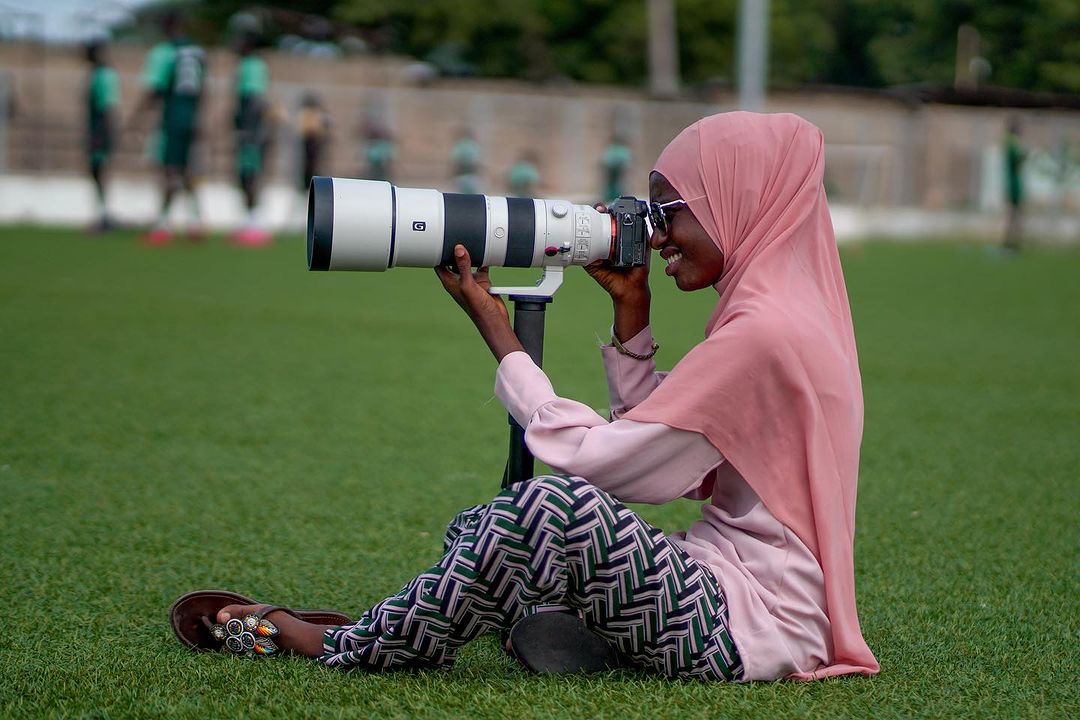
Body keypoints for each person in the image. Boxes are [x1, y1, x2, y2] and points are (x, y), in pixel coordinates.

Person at [171, 112, 879, 682]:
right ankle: (580, 639)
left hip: (752, 624)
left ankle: (346, 645)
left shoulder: (766, 333)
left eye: (669, 210)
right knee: (484, 525)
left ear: (737, 201)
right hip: (719, 581)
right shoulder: (786, 316)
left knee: (548, 510)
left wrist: (500, 336)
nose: (655, 232)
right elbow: (685, 466)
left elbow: (611, 467)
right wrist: (632, 315)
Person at [129, 11, 207, 245]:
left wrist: (135, 119)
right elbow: (204, 90)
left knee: (169, 170)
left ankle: (163, 224)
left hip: (172, 119)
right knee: (186, 171)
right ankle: (195, 221)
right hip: (192, 119)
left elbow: (154, 88)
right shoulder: (197, 52)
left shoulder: (164, 52)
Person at [230, 33, 272, 246]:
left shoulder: (251, 65)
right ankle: (249, 221)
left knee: (250, 174)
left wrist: (248, 130)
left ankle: (254, 224)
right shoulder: (250, 65)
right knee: (245, 175)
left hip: (252, 132)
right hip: (251, 130)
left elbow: (254, 100)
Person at [84, 40, 120, 233]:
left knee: (99, 172)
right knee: (96, 172)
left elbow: (108, 107)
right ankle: (102, 214)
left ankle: (104, 217)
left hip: (100, 132)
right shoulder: (98, 74)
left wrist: (102, 134)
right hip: (97, 131)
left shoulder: (104, 75)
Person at [296, 93, 331, 192]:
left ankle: (312, 186)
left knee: (315, 165)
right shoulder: (306, 113)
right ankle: (306, 186)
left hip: (315, 142)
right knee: (307, 165)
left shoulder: (317, 114)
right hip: (308, 142)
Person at [1002, 116, 1027, 252]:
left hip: (1014, 184)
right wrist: (1024, 156)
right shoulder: (1012, 142)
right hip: (1014, 185)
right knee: (1014, 215)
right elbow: (1016, 162)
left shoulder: (1011, 141)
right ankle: (1011, 244)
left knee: (1013, 215)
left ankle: (1012, 243)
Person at [600, 132, 632, 202]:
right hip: (612, 169)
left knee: (617, 184)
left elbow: (607, 159)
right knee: (613, 185)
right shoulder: (617, 148)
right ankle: (612, 197)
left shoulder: (617, 149)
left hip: (616, 169)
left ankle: (615, 197)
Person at [450, 128, 482, 194]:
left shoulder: (459, 145)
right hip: (470, 174)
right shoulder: (472, 145)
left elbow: (454, 159)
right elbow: (476, 160)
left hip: (462, 174)